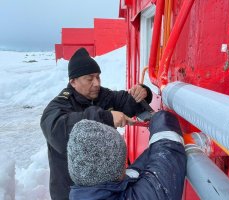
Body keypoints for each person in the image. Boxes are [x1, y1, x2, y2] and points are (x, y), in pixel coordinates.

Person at [40, 47, 153, 200]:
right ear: (73, 81)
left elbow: (128, 101)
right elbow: (58, 132)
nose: (96, 83)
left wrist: (142, 92)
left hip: (103, 190)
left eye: (98, 77)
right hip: (69, 192)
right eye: (90, 78)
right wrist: (105, 117)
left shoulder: (103, 95)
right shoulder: (59, 105)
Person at [67, 110, 187, 200]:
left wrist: (152, 149)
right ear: (111, 171)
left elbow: (134, 172)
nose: (125, 167)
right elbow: (166, 159)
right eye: (122, 164)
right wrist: (161, 118)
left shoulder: (92, 190)